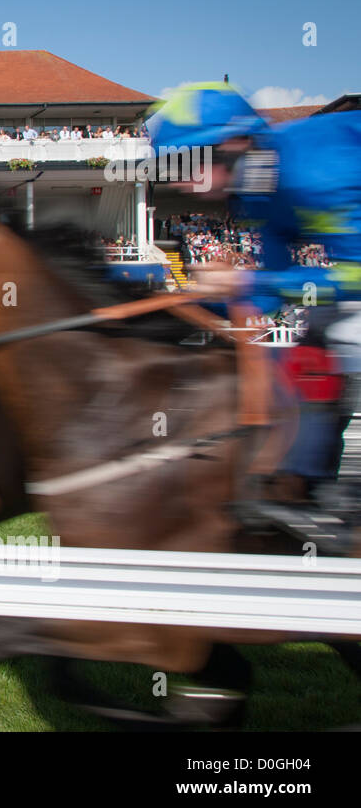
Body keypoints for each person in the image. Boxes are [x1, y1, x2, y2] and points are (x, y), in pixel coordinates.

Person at [147, 81, 361, 550]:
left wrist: (245, 283)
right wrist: (182, 306)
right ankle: (307, 491)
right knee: (312, 344)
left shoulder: (314, 172)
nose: (179, 179)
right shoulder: (260, 191)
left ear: (234, 145)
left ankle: (327, 495)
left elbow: (355, 277)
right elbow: (273, 291)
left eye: (190, 161)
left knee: (344, 332)